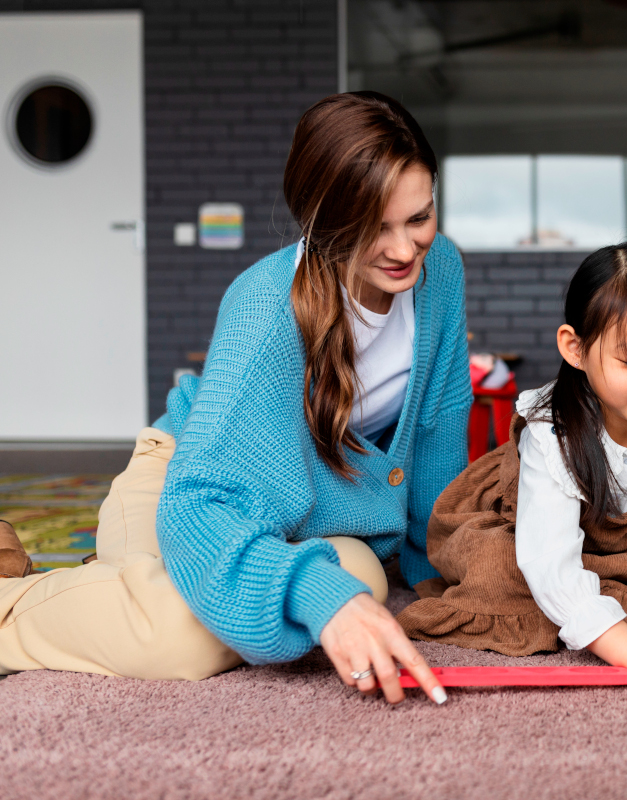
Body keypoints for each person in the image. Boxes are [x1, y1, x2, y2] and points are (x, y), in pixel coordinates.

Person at [0, 92, 469, 704]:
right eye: (374, 228)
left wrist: (437, 575)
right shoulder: (266, 310)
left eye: (419, 217)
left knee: (356, 581)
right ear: (322, 220)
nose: (406, 250)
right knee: (175, 636)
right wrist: (313, 596)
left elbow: (436, 428)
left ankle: (118, 582)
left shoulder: (444, 275)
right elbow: (199, 504)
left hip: (310, 520)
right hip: (185, 484)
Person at [397, 242, 627, 693]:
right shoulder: (553, 432)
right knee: (500, 566)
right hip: (530, 527)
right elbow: (550, 562)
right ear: (575, 349)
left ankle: (607, 590)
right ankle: (609, 604)